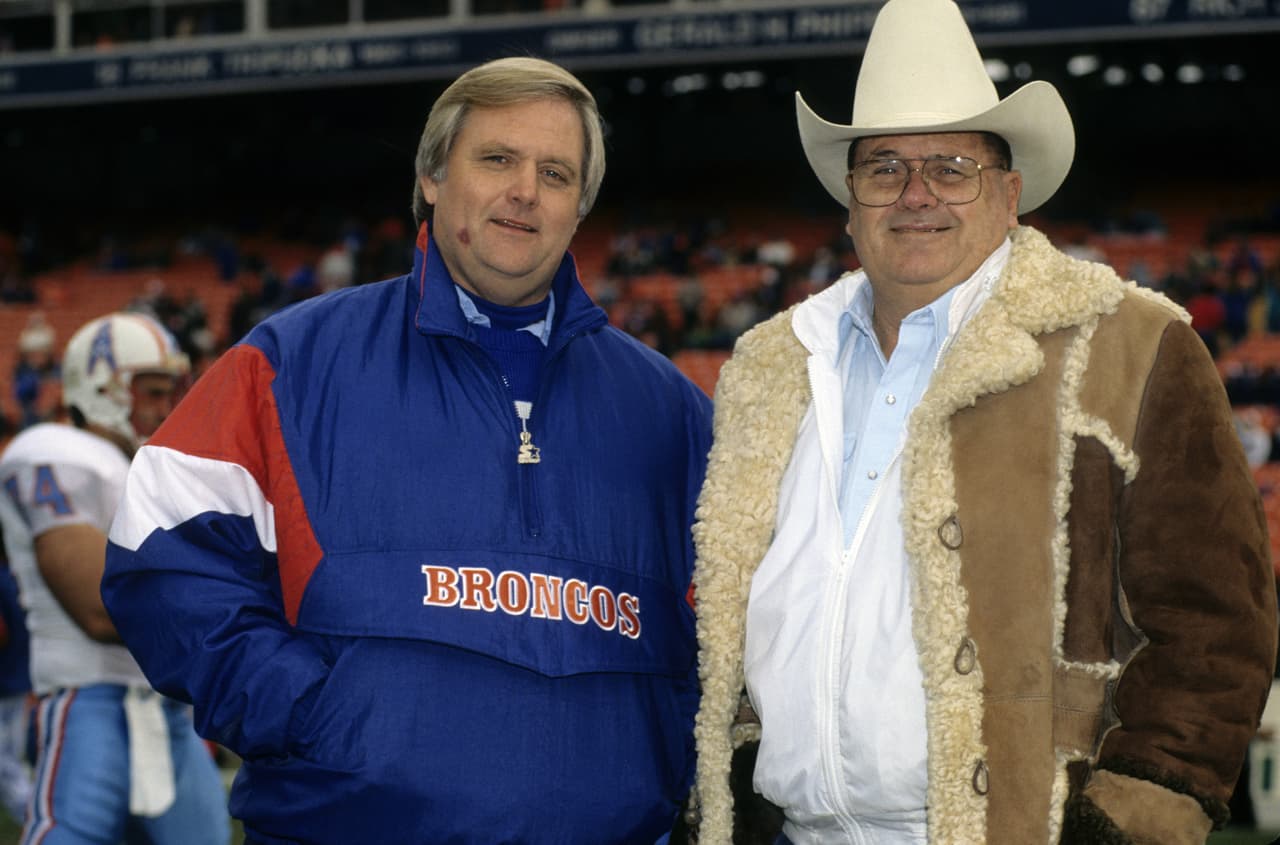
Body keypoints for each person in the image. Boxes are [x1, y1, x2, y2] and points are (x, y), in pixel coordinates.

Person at [685, 1, 1278, 844]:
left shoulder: (1131, 347)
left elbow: (1215, 627)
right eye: (884, 167)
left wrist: (1126, 822)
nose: (915, 193)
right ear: (850, 200)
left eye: (952, 167)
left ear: (1009, 194)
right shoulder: (770, 366)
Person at [102, 56, 713, 844]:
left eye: (556, 173)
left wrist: (668, 755)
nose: (526, 190)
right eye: (498, 159)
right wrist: (313, 715)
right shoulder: (293, 362)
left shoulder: (673, 412)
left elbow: (738, 628)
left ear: (579, 208)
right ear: (432, 176)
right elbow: (160, 546)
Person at [0, 312, 229, 845]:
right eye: (154, 390)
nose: (166, 406)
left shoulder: (146, 469)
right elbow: (99, 608)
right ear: (103, 388)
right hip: (88, 698)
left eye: (173, 391)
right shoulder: (55, 451)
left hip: (168, 711)